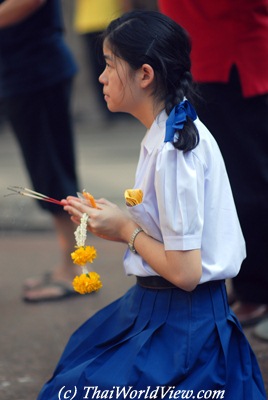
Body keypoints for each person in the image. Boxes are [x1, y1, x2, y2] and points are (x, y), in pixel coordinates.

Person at [37, 11, 266, 399]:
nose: (101, 77)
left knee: (70, 388)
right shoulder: (166, 132)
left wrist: (127, 228)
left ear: (145, 75)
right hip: (159, 310)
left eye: (109, 65)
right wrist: (113, 222)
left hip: (183, 329)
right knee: (75, 368)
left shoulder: (175, 152)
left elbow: (186, 272)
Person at [158, 0, 268, 331]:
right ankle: (245, 281)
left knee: (247, 181)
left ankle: (257, 287)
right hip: (197, 59)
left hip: (233, 59)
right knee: (219, 184)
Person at [0, 0, 81, 302]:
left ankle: (75, 271)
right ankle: (71, 266)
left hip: (36, 71)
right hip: (26, 72)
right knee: (49, 174)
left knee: (53, 174)